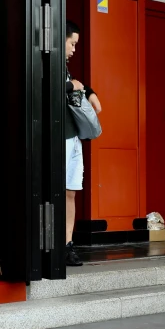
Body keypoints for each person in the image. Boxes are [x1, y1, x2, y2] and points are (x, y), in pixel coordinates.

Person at [65, 20, 101, 266]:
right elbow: (41, 87)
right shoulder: (48, 62)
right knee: (58, 192)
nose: (74, 49)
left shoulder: (64, 67)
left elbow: (78, 84)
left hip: (73, 138)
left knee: (70, 194)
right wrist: (71, 86)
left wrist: (89, 91)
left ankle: (68, 244)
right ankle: (55, 245)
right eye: (72, 43)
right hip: (60, 138)